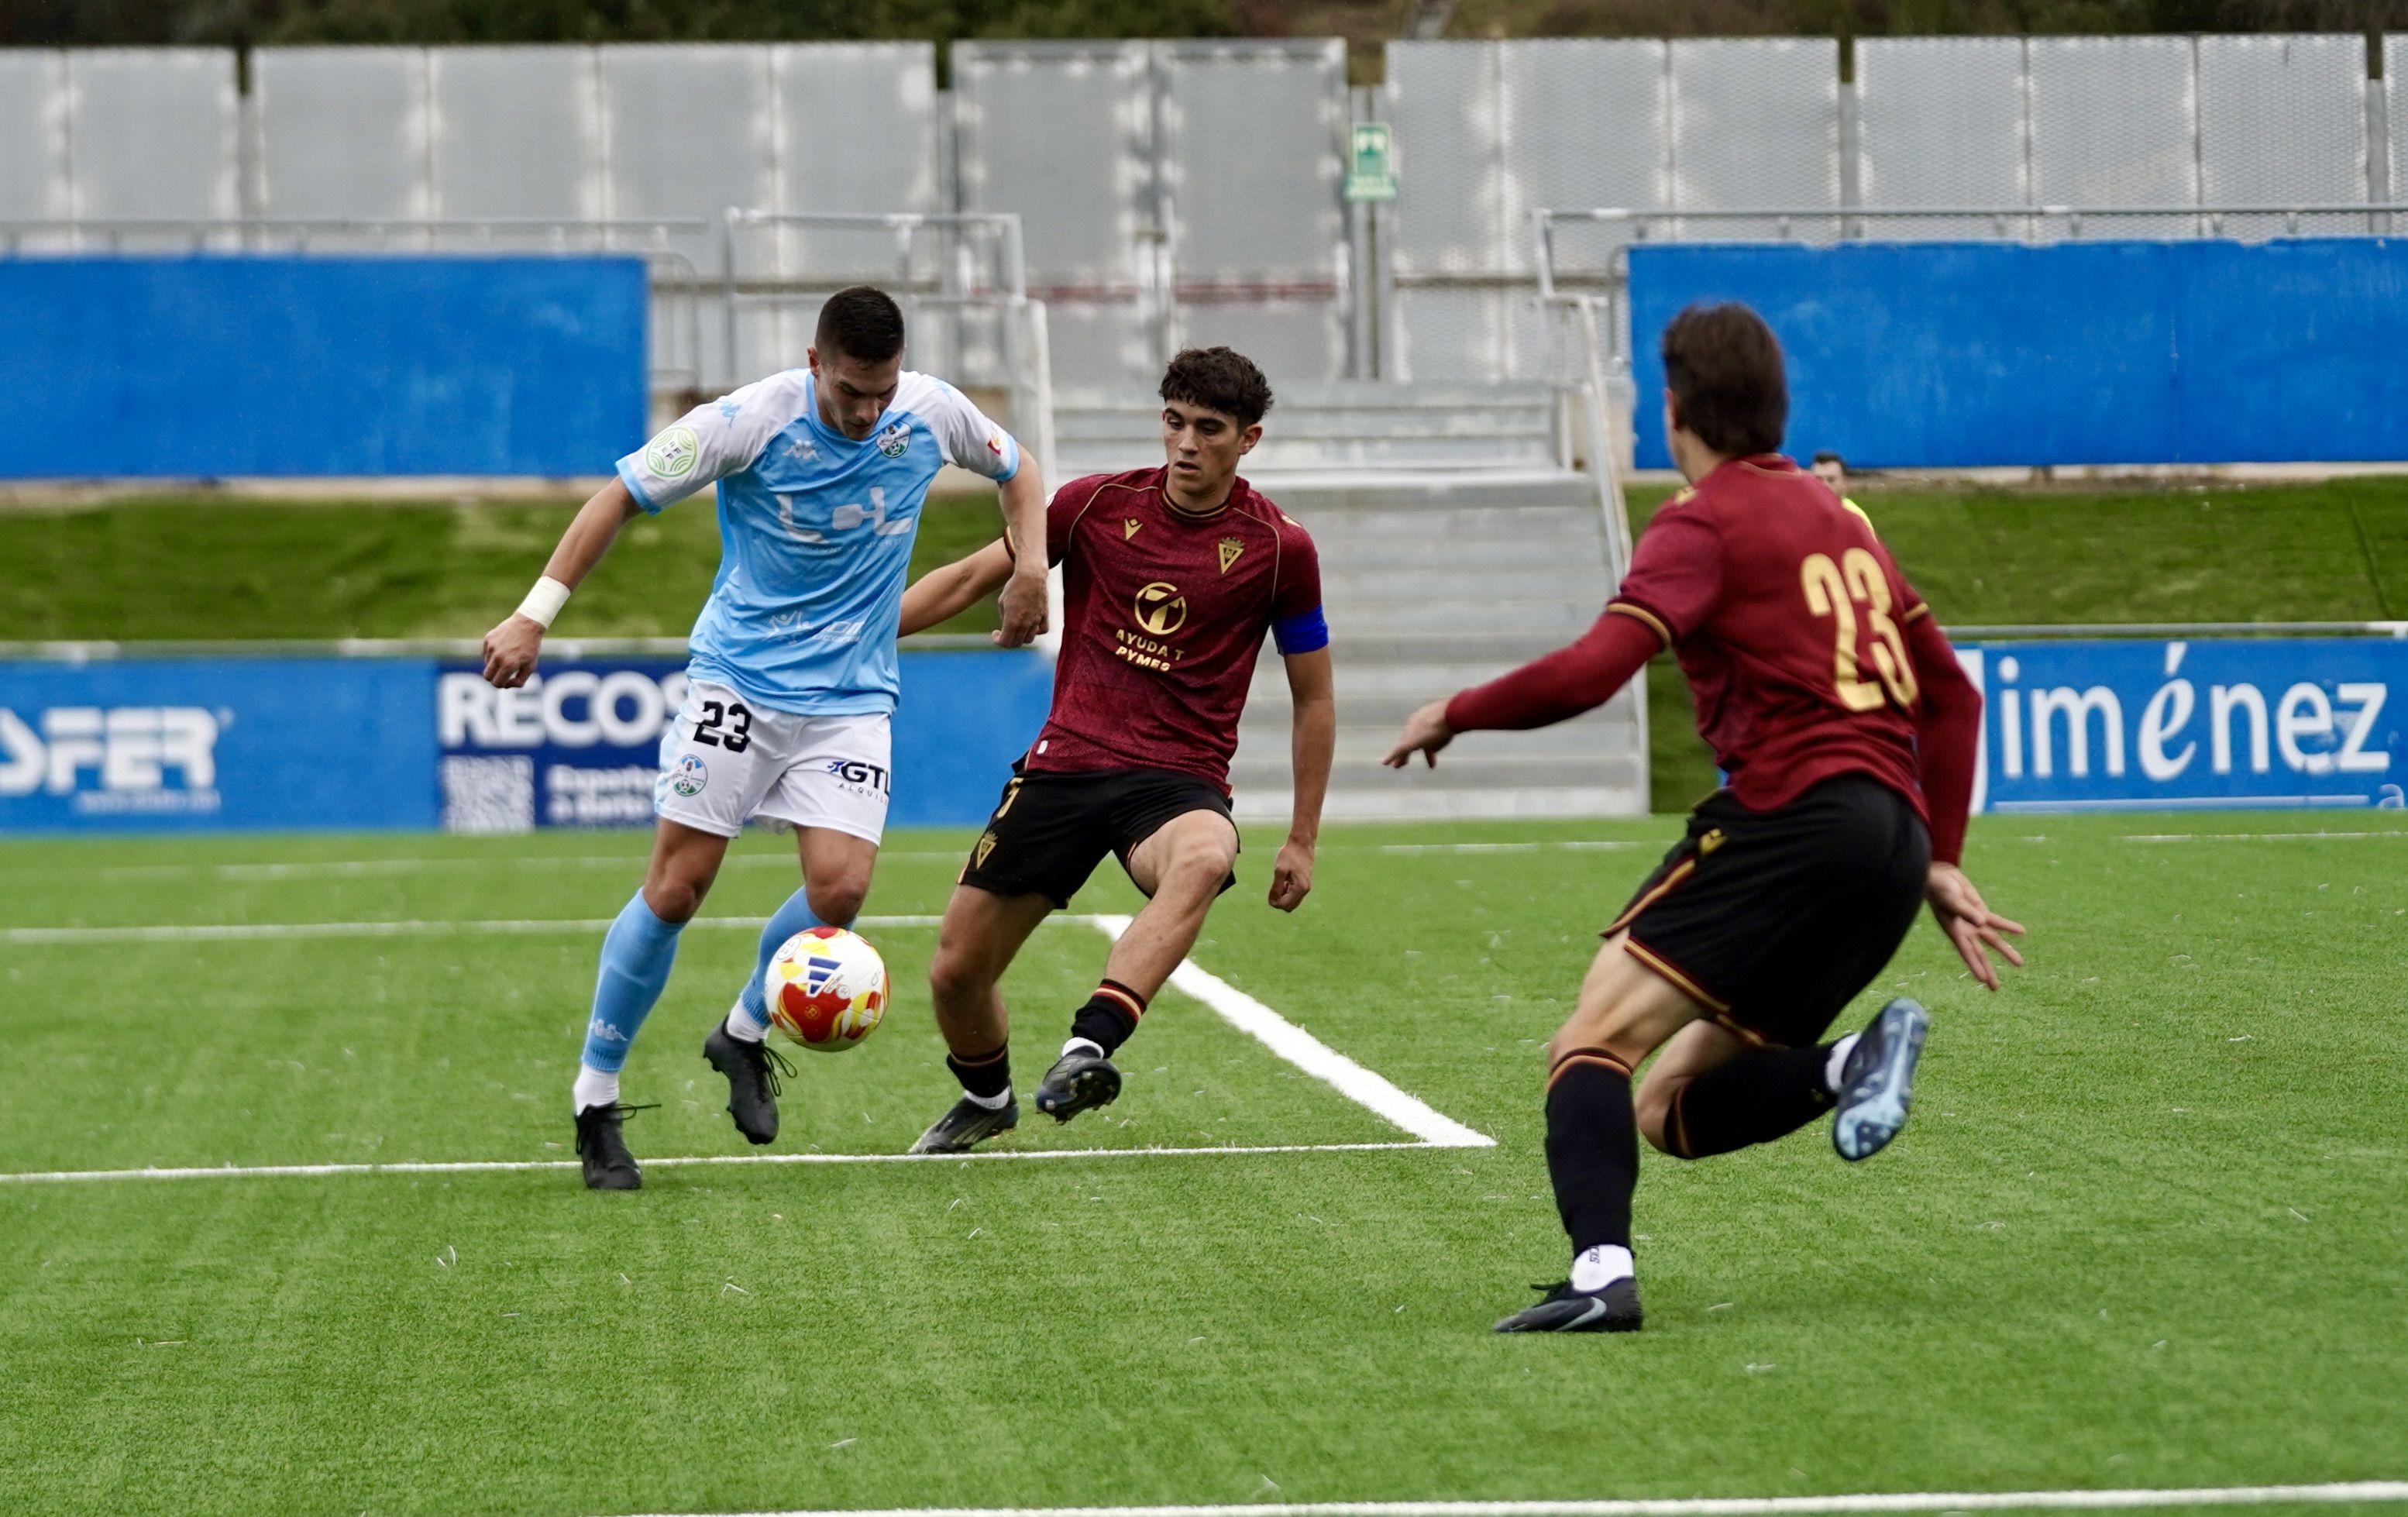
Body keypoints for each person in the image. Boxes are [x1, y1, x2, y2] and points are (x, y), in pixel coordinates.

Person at [1385, 302, 2023, 1333]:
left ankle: (1602, 1278)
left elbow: (1595, 670)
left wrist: (1456, 710)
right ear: (1777, 407)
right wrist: (1938, 857)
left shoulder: (1704, 520)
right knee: (1667, 1106)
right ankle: (1851, 1062)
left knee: (1591, 1041)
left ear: (1673, 408)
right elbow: (1951, 695)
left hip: (1790, 819)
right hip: (1891, 846)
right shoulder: (1843, 521)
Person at [480, 285, 1050, 1190]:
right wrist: (532, 615)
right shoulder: (747, 420)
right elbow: (616, 497)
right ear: (816, 362)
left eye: (883, 392)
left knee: (841, 890)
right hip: (738, 684)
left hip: (852, 695)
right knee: (676, 889)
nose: (867, 413)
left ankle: (742, 1031)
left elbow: (1020, 471)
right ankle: (596, 1098)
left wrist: (1030, 567)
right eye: (851, 392)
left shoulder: (931, 411)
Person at [891, 346, 1336, 1154]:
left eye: (1209, 429)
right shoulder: (1091, 504)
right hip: (1064, 764)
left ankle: (1087, 1047)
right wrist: (853, 637)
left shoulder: (1280, 548)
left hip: (1176, 781)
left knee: (1206, 856)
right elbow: (967, 578)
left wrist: (1302, 836)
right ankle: (987, 1096)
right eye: (1175, 421)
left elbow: (1315, 696)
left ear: (1249, 439)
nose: (1187, 443)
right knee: (956, 973)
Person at [1810, 449, 1874, 531]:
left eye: (1831, 480)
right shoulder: (1802, 512)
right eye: (1818, 479)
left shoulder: (1856, 519)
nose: (1825, 485)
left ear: (1844, 482)